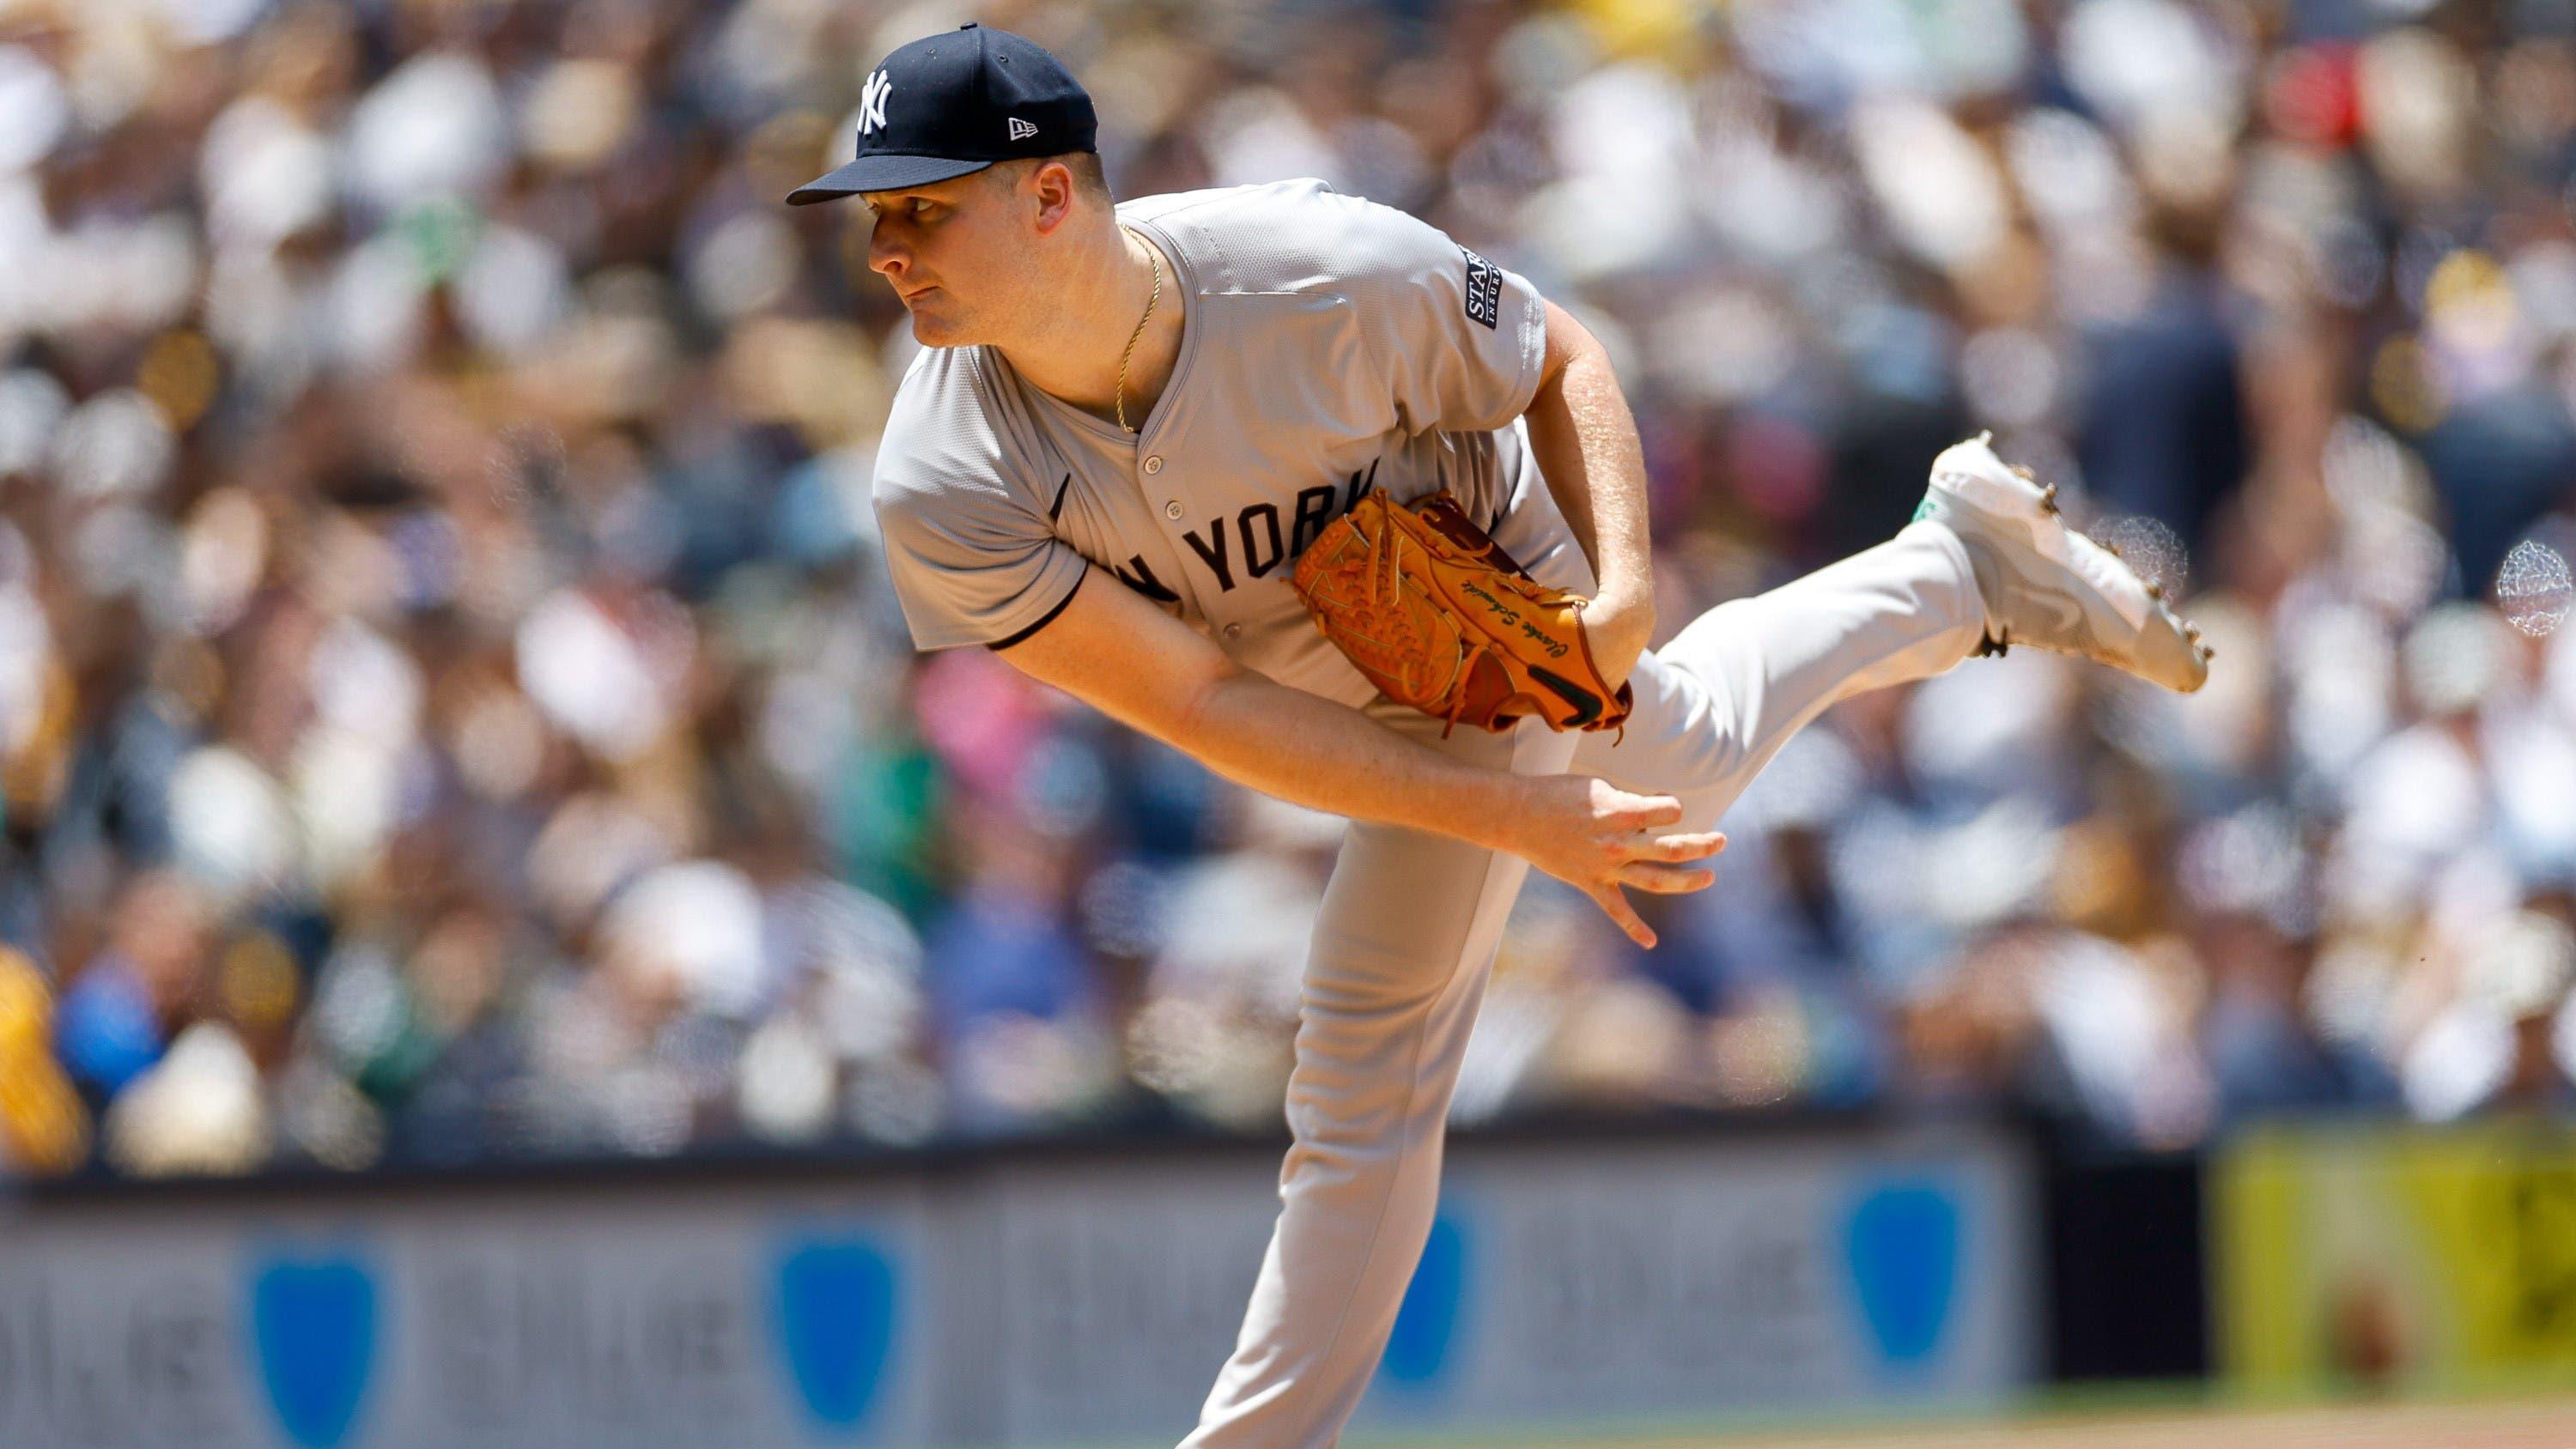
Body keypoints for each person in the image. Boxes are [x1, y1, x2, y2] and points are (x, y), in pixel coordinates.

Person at [788, 23, 2209, 1445]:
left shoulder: (1312, 269)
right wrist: (1514, 818)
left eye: (923, 205)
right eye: (877, 212)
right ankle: (1961, 566)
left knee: (1364, 1049)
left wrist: (1623, 595)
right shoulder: (939, 482)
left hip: (1496, 589)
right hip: (1328, 688)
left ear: (1049, 196)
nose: (887, 248)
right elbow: (1203, 705)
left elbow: (1556, 354)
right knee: (1693, 746)